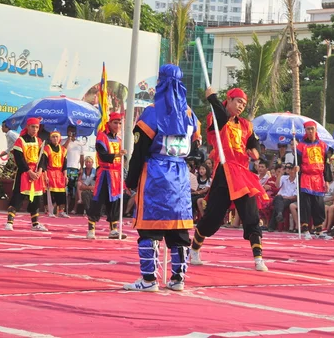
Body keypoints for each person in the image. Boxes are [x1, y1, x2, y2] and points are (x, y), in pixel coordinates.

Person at [123, 64, 201, 292]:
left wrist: (130, 182)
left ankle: (148, 280)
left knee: (150, 228)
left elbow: (138, 153)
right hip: (180, 175)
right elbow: (196, 146)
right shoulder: (190, 115)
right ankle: (178, 279)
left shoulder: (152, 112)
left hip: (155, 173)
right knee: (178, 229)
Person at [189, 87, 269, 272]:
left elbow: (253, 142)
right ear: (229, 100)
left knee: (251, 215)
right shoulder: (216, 119)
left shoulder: (246, 125)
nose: (241, 106)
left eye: (244, 103)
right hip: (223, 173)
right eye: (238, 101)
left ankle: (258, 257)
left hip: (242, 174)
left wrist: (254, 151)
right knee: (213, 218)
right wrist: (212, 99)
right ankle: (194, 249)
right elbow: (221, 115)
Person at [87, 113, 126, 240]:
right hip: (105, 173)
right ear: (109, 123)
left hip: (116, 175)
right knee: (98, 199)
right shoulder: (102, 136)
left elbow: (122, 159)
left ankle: (113, 229)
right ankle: (91, 228)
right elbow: (103, 154)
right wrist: (117, 155)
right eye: (115, 122)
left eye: (119, 123)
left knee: (115, 201)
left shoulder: (120, 140)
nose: (118, 125)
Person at [4, 118, 48, 232]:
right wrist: (29, 171)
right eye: (32, 126)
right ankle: (9, 222)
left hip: (36, 174)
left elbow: (42, 158)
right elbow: (19, 158)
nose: (34, 129)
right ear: (27, 127)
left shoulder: (39, 141)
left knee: (36, 199)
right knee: (17, 198)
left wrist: (40, 171)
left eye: (37, 127)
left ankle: (35, 224)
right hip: (24, 173)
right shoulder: (20, 141)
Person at [296, 121, 333, 240]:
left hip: (318, 178)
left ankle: (319, 230)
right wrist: (295, 168)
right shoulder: (300, 146)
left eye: (312, 129)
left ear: (316, 130)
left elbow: (326, 164)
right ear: (305, 131)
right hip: (306, 177)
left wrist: (327, 180)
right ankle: (305, 229)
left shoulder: (323, 145)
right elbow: (297, 162)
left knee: (319, 205)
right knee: (305, 204)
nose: (310, 131)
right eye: (308, 129)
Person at [44, 131, 69, 218]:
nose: (55, 139)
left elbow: (65, 164)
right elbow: (44, 163)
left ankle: (61, 211)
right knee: (50, 193)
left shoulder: (63, 150)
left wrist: (65, 175)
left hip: (59, 174)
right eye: (53, 137)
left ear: (59, 139)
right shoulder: (47, 148)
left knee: (61, 194)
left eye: (56, 137)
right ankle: (49, 211)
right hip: (50, 172)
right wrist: (45, 175)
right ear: (50, 138)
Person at [267, 163, 298, 232]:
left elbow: (295, 197)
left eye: (290, 168)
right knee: (278, 199)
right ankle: (279, 214)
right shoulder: (284, 177)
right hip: (279, 197)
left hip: (289, 199)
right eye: (286, 168)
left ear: (294, 170)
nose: (288, 170)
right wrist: (280, 174)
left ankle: (272, 225)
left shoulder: (297, 181)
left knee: (278, 205)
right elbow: (277, 186)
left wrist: (286, 197)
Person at [63, 125, 84, 212]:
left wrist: (81, 168)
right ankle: (64, 209)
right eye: (70, 131)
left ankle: (74, 209)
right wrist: (69, 138)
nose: (72, 133)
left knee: (74, 190)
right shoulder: (63, 141)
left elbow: (82, 157)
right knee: (65, 189)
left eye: (73, 131)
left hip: (75, 168)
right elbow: (63, 150)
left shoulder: (79, 144)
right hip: (65, 168)